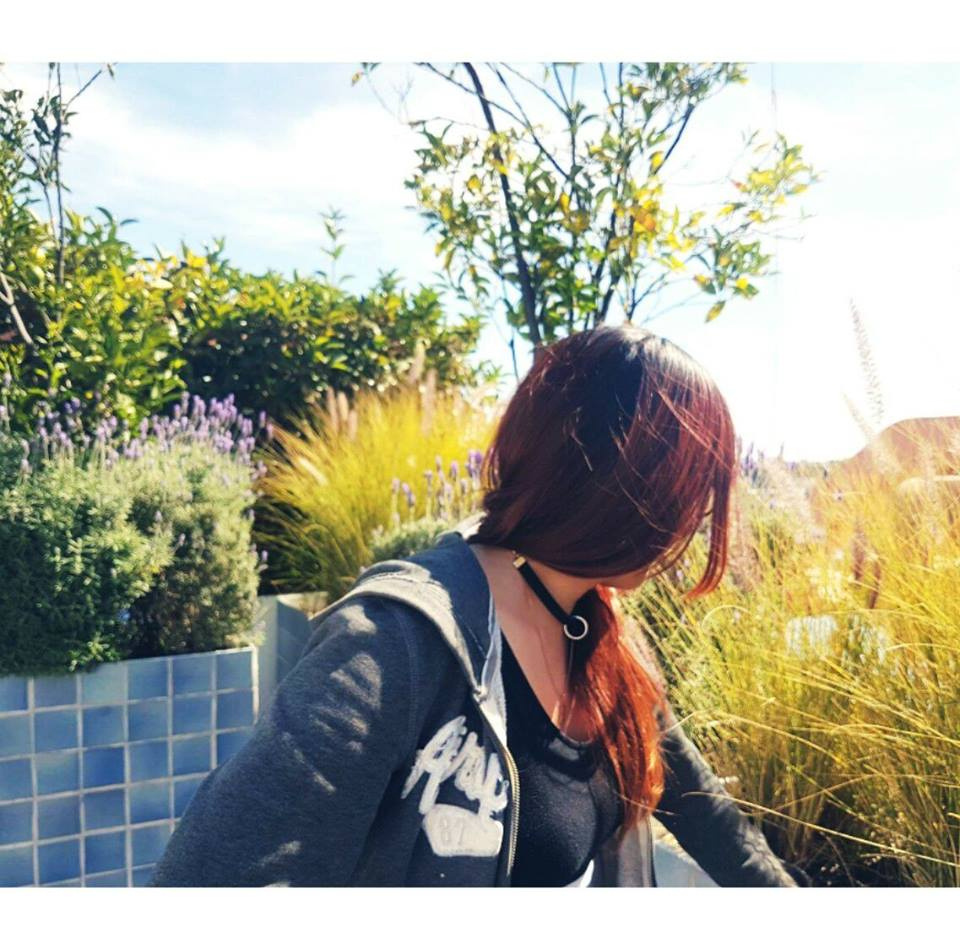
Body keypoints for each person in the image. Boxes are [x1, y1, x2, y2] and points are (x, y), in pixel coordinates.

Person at [150, 323, 799, 887]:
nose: (693, 521)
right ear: (611, 486)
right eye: (682, 495)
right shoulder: (394, 645)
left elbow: (711, 819)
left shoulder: (605, 635)